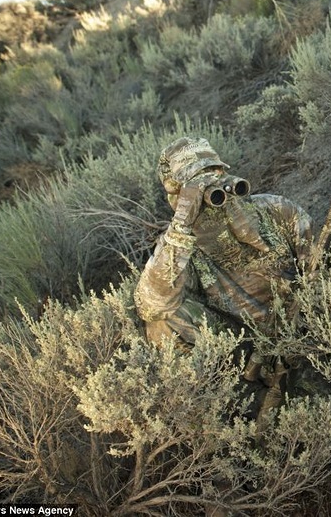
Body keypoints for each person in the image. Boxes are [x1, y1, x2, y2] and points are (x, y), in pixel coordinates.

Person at [134, 136, 315, 430]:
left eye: (216, 175)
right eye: (198, 185)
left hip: (298, 333)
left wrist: (299, 330)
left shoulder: (277, 211)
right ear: (177, 197)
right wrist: (181, 226)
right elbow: (151, 305)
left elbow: (321, 274)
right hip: (240, 349)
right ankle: (233, 412)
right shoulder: (182, 248)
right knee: (163, 322)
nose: (214, 188)